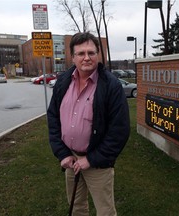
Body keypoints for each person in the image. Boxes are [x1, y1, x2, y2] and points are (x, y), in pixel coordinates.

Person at [47, 32, 130, 216]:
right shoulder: (63, 82)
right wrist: (63, 153)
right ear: (73, 56)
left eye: (91, 53)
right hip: (71, 159)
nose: (86, 58)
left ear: (98, 54)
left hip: (98, 164)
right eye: (81, 53)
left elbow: (120, 131)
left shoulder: (111, 86)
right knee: (76, 208)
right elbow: (53, 118)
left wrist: (91, 159)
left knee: (105, 211)